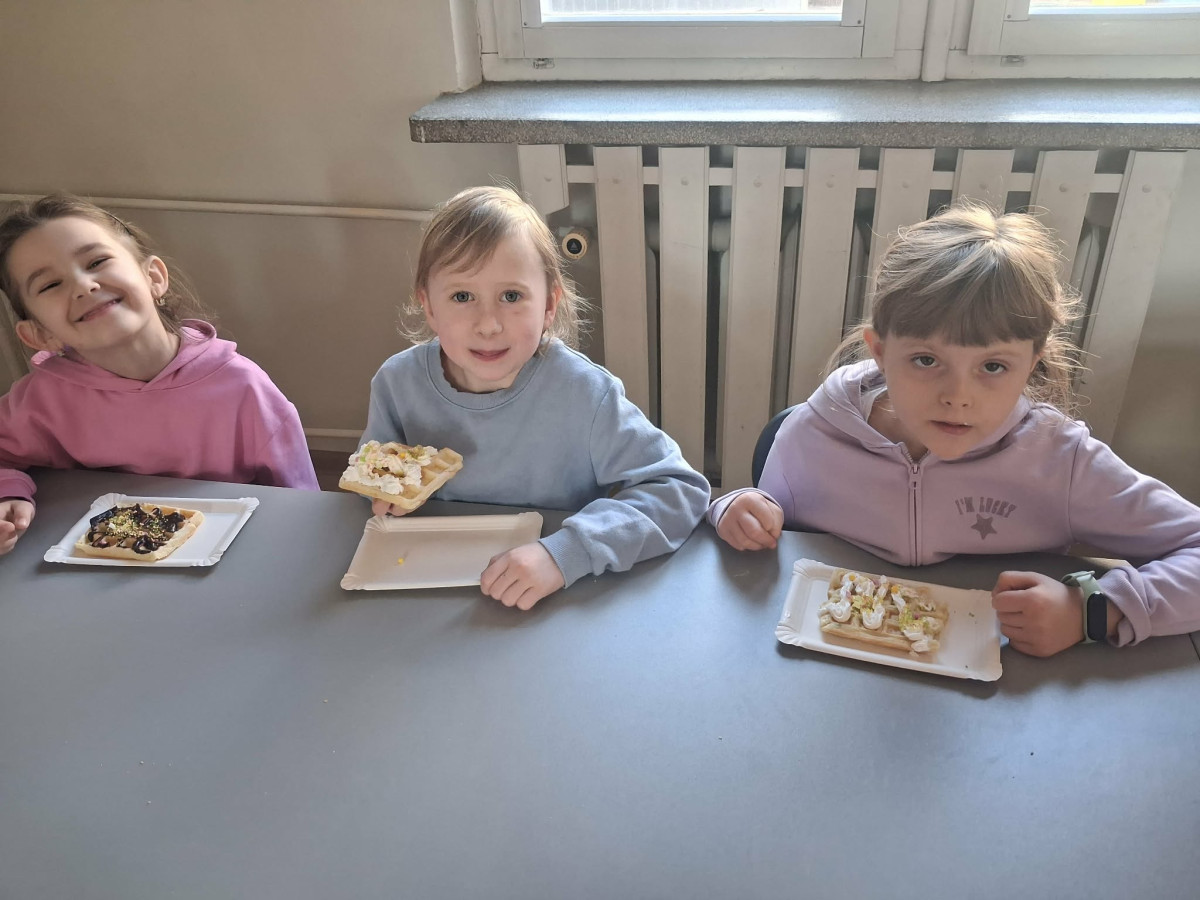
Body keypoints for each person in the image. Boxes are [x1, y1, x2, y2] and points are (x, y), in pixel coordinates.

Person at [711, 200, 1200, 657]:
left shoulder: (1061, 460)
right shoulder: (813, 434)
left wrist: (1091, 611)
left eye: (993, 366)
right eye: (926, 360)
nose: (958, 396)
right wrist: (733, 508)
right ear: (880, 351)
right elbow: (762, 525)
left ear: (1032, 363)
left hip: (1000, 689)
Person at [360, 185, 710, 611]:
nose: (488, 324)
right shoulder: (397, 385)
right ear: (429, 307)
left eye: (511, 296)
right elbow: (373, 474)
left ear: (549, 305)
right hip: (426, 592)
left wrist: (566, 553)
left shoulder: (584, 394)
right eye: (462, 296)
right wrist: (383, 493)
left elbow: (678, 490)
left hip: (556, 595)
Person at [0, 194, 319, 556]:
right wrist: (9, 494)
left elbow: (303, 510)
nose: (83, 286)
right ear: (38, 335)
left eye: (97, 262)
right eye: (49, 285)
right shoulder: (41, 399)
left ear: (154, 277)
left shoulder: (243, 387)